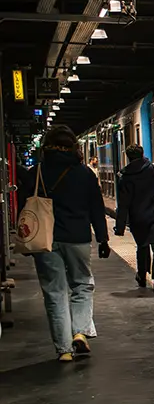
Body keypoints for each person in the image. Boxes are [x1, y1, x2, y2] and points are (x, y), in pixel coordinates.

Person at [27, 126, 111, 362]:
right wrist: (103, 239)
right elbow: (96, 208)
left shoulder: (37, 172)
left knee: (54, 292)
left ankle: (64, 350)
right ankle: (80, 332)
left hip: (45, 239)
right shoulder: (85, 174)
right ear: (74, 147)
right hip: (77, 238)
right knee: (82, 285)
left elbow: (26, 207)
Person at [114, 145, 154, 293]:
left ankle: (142, 275)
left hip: (137, 218)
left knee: (142, 247)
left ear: (128, 157)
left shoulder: (124, 176)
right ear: (142, 154)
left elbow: (123, 204)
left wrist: (119, 227)